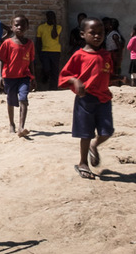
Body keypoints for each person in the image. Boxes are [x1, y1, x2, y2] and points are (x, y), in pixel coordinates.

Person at [59, 18, 114, 180]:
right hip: (85, 100)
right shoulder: (79, 56)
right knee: (86, 133)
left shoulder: (106, 55)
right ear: (83, 34)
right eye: (93, 33)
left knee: (107, 131)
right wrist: (76, 81)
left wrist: (118, 78)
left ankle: (94, 145)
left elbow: (106, 75)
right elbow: (64, 76)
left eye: (101, 33)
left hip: (104, 99)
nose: (97, 36)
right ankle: (83, 162)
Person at [0, 15, 36, 137]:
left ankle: (21, 126)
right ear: (12, 27)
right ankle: (11, 123)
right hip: (9, 77)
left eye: (22, 25)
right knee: (11, 100)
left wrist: (33, 78)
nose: (19, 27)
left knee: (23, 99)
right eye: (16, 25)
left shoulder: (29, 43)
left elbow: (31, 62)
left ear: (27, 27)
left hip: (24, 76)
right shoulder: (7, 43)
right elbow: (0, 60)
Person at [36, 11, 63, 89]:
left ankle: (53, 88)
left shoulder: (58, 27)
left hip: (55, 51)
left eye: (53, 17)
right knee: (46, 69)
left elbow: (54, 36)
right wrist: (39, 52)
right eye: (50, 17)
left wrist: (54, 24)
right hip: (45, 51)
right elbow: (38, 41)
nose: (51, 19)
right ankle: (45, 77)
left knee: (55, 71)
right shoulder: (41, 27)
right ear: (47, 17)